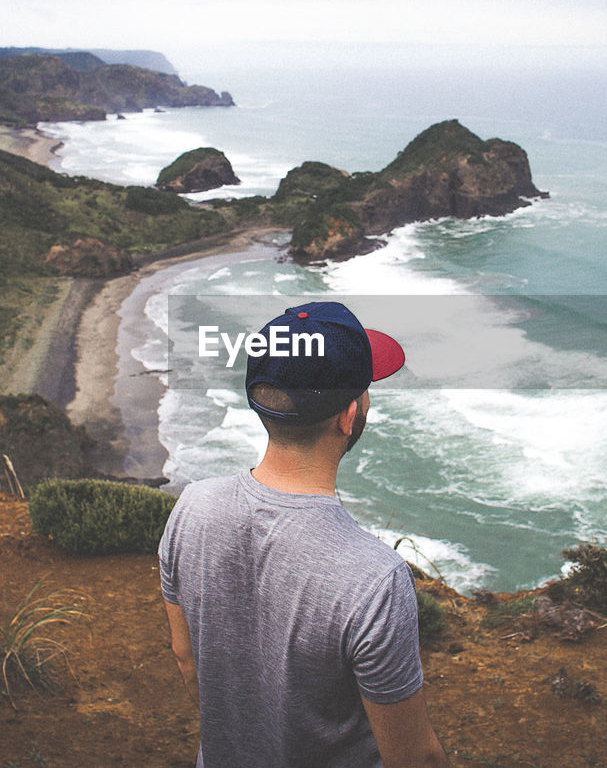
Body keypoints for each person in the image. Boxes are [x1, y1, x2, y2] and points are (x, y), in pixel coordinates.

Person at [159, 301, 449, 767]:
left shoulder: (191, 507)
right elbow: (415, 758)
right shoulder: (375, 579)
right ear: (348, 416)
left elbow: (185, 658)